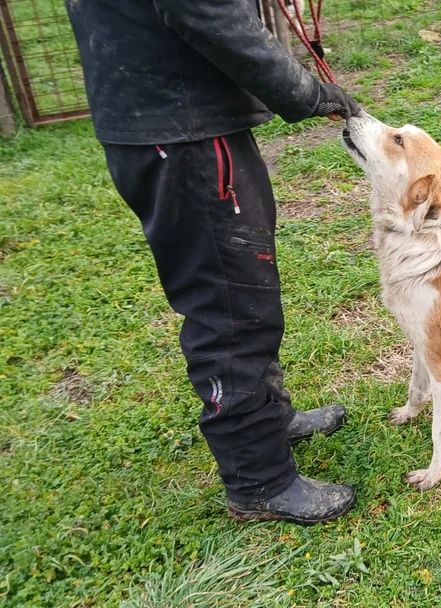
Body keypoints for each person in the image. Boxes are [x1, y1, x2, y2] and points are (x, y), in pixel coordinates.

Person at [64, 0, 361, 524]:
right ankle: (259, 480)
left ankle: (268, 420)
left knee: (239, 288)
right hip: (183, 131)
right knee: (230, 303)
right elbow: (205, 10)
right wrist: (307, 92)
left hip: (170, 118)